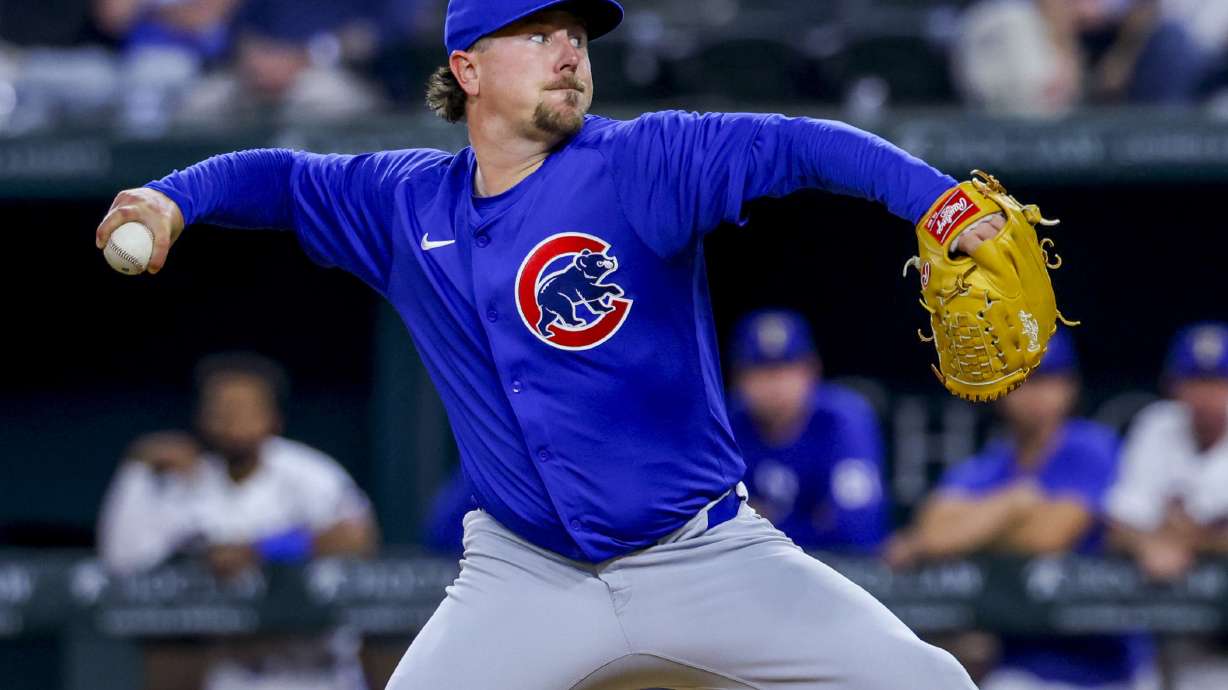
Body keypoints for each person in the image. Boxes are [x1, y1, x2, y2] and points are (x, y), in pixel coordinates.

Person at [93, 0, 1007, 686]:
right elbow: (281, 177)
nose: (570, 50)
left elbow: (801, 144)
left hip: (702, 552)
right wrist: (174, 197)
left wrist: (938, 200)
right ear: (469, 67)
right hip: (523, 572)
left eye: (577, 34)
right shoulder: (405, 201)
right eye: (537, 32)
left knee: (927, 682)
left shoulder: (643, 162)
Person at [886, 330, 1152, 690]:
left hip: (1107, 662)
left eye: (1046, 379)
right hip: (1023, 660)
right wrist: (1015, 502)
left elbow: (1045, 537)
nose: (1034, 394)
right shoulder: (991, 465)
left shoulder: (1089, 447)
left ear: (1069, 386)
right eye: (1022, 379)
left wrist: (973, 530)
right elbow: (932, 534)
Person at [98, 352, 378, 690]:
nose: (229, 420)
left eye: (242, 409)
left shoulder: (306, 473)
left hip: (315, 671)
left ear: (273, 419)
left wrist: (259, 549)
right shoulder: (190, 483)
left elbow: (357, 538)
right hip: (232, 673)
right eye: (219, 408)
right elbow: (123, 559)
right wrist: (139, 465)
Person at [1106, 322, 1228, 690]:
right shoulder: (1157, 425)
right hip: (1164, 637)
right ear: (1174, 385)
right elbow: (1117, 526)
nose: (1207, 395)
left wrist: (1185, 539)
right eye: (1196, 381)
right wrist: (1148, 543)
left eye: (1219, 382)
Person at [726, 309, 887, 553]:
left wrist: (764, 521)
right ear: (738, 377)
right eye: (760, 370)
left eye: (786, 368)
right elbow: (716, 530)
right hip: (753, 571)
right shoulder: (726, 424)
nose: (774, 384)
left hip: (843, 573)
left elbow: (858, 531)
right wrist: (814, 520)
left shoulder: (843, 419)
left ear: (811, 370)